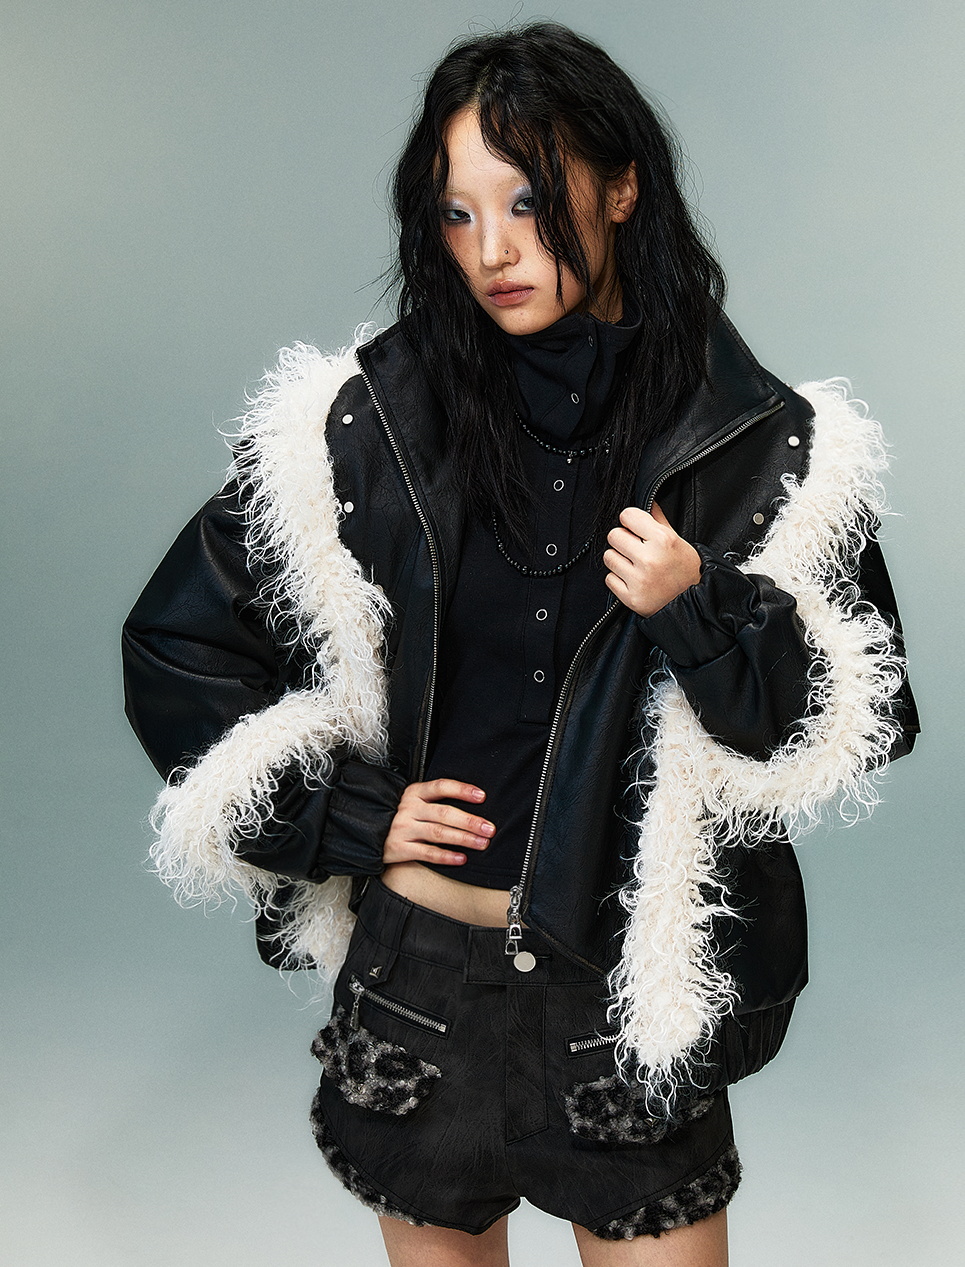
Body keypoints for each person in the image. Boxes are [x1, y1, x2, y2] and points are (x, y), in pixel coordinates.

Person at [123, 22, 918, 1267]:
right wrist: (350, 814)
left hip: (625, 993)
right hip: (421, 987)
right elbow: (177, 644)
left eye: (530, 202)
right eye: (457, 214)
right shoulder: (369, 424)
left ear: (621, 187)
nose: (492, 250)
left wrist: (698, 605)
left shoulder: (761, 444)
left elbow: (845, 716)